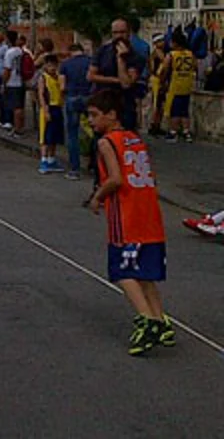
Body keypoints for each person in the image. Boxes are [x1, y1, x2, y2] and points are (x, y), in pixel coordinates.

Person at [87, 90, 174, 355]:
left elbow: (115, 179)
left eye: (94, 115)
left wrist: (97, 196)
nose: (90, 121)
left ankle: (146, 321)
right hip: (147, 211)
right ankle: (160, 319)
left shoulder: (106, 142)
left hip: (126, 214)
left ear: (112, 115)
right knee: (145, 273)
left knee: (122, 271)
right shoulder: (134, 139)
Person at [59, 43, 93, 180]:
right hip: (89, 97)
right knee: (95, 131)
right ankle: (95, 163)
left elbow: (62, 86)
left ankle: (75, 169)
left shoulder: (65, 64)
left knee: (72, 134)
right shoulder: (91, 62)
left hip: (72, 97)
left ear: (70, 52)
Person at [163, 30, 196, 143]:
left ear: (175, 43)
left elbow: (165, 69)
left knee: (175, 111)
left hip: (175, 85)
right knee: (184, 110)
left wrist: (163, 81)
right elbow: (195, 66)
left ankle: (173, 132)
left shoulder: (171, 55)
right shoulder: (190, 54)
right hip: (187, 85)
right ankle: (186, 132)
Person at [37, 54, 64, 174]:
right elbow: (41, 94)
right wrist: (45, 110)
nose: (52, 68)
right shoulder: (43, 78)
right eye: (49, 65)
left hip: (57, 107)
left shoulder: (58, 77)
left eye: (54, 65)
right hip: (48, 107)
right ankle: (43, 160)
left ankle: (51, 159)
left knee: (54, 136)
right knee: (45, 136)